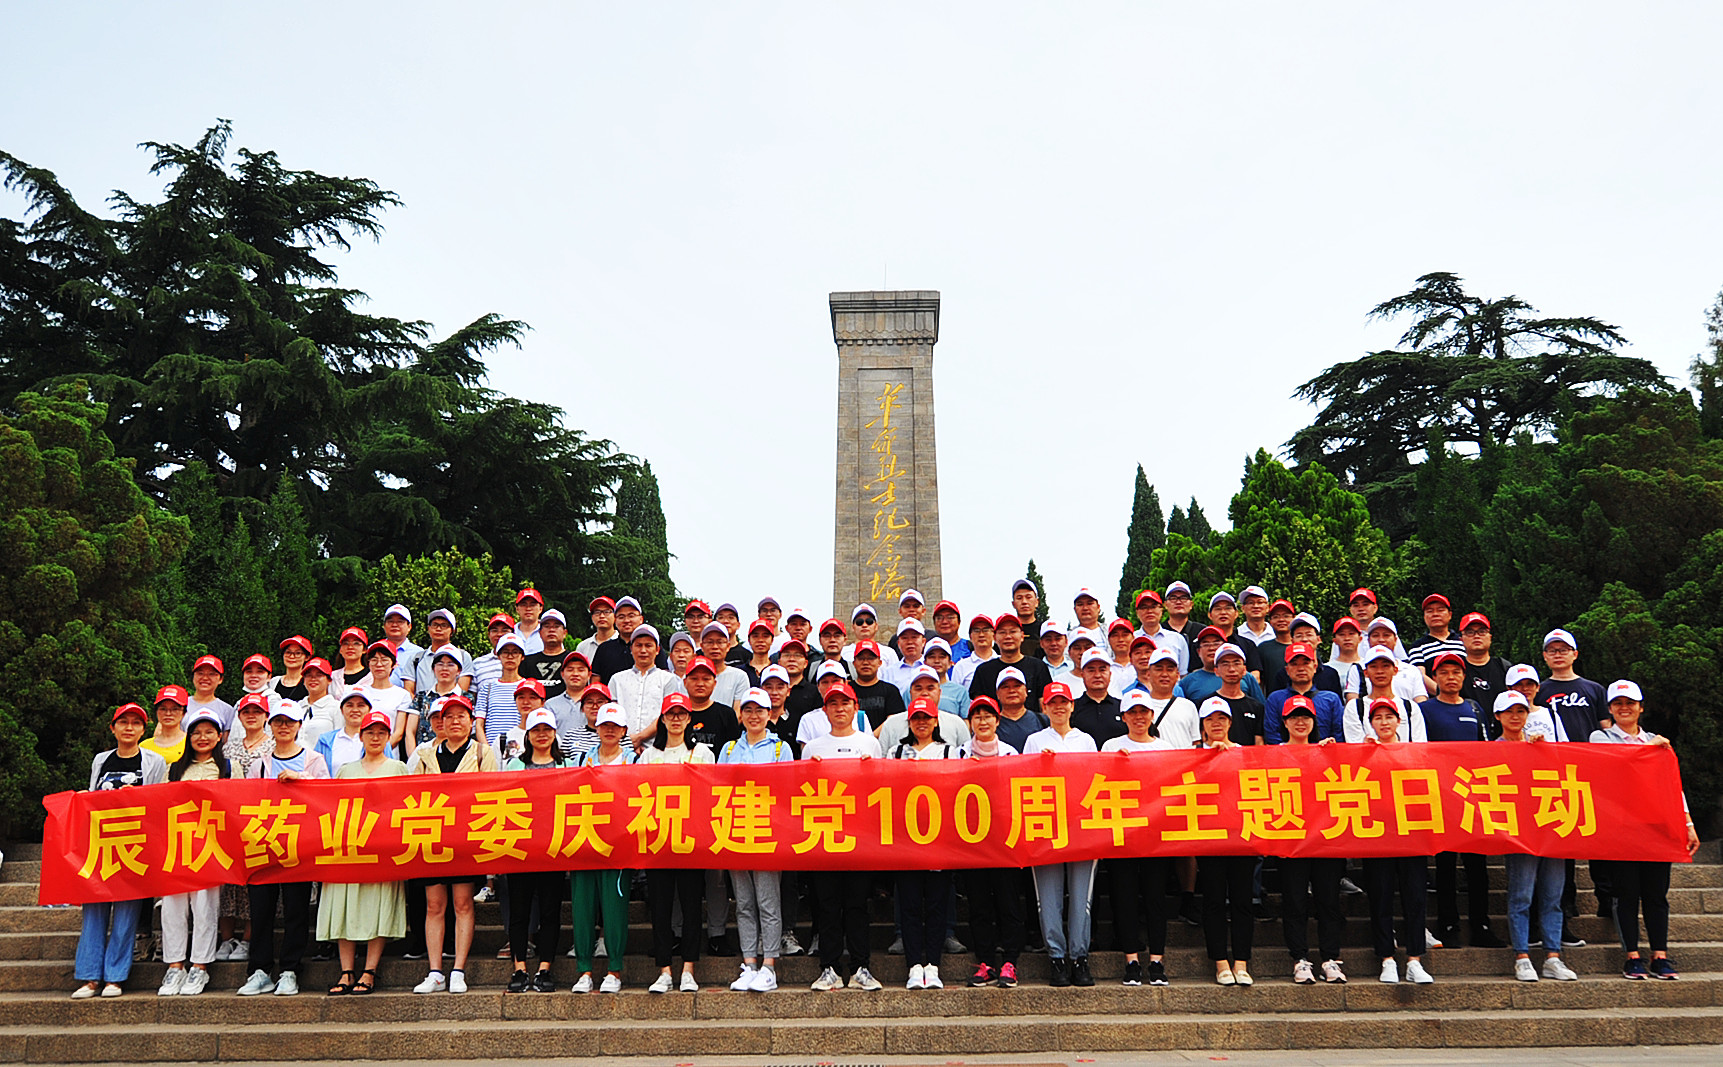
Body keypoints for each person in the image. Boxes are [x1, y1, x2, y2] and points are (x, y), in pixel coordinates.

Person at [1590, 679, 1700, 979]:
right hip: (1621, 828)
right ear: (1610, 709)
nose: (1624, 708)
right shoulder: (1600, 737)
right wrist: (1649, 750)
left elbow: (1672, 786)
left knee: (1656, 894)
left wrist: (1688, 824)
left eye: (1630, 703)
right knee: (1626, 893)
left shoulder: (1656, 741)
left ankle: (1660, 955)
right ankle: (1632, 956)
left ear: (1641, 708)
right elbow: (1613, 766)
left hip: (1656, 828)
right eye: (1618, 704)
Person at [71, 703, 167, 999]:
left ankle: (115, 977)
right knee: (94, 909)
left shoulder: (154, 761)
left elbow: (157, 800)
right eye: (123, 722)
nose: (129, 728)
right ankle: (89, 977)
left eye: (135, 723)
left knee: (127, 912)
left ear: (143, 730)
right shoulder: (101, 759)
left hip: (133, 845)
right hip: (100, 844)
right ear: (112, 728)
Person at [405, 694, 497, 995]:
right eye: (449, 716)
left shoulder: (482, 753)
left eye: (461, 716)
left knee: (463, 903)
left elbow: (492, 793)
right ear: (439, 723)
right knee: (434, 905)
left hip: (466, 839)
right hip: (432, 837)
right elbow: (412, 795)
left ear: (471, 722)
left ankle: (458, 969)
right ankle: (435, 971)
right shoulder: (424, 754)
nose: (455, 721)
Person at [237, 704, 331, 997]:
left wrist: (301, 780)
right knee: (261, 911)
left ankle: (290, 970)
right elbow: (246, 801)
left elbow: (327, 795)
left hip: (298, 846)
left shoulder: (313, 759)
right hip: (264, 846)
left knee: (296, 910)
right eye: (278, 721)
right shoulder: (259, 764)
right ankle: (259, 970)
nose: (284, 727)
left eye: (290, 722)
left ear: (299, 725)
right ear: (270, 725)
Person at [319, 705, 408, 996]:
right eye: (370, 732)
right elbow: (330, 807)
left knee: (377, 906)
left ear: (388, 737)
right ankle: (346, 971)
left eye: (382, 732)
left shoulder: (398, 768)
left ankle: (370, 970)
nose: (376, 737)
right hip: (349, 850)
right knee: (344, 905)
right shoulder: (346, 770)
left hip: (382, 851)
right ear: (361, 736)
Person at [1489, 692, 1576, 983]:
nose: (1515, 716)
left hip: (1550, 826)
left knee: (1553, 896)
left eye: (1521, 711)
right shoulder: (1490, 750)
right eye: (1509, 711)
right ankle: (1522, 957)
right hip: (1519, 833)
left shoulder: (1540, 745)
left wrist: (1544, 751)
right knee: (1522, 895)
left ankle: (1553, 956)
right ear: (1498, 716)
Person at [803, 682, 884, 992]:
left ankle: (861, 966)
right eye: (833, 704)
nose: (839, 709)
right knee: (827, 905)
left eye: (845, 703)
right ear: (825, 710)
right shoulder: (813, 748)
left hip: (859, 837)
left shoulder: (869, 744)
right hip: (823, 836)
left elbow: (880, 787)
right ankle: (829, 968)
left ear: (855, 708)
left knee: (856, 904)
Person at [1419, 651, 1502, 949]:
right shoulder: (1424, 710)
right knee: (1445, 865)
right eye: (1444, 672)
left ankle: (1481, 925)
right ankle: (1448, 924)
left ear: (1464, 677)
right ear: (1434, 678)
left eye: (1456, 672)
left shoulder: (1474, 708)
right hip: (1440, 795)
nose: (1450, 677)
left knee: (1477, 865)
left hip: (1472, 795)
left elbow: (1486, 749)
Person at [1537, 627, 1611, 942]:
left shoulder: (1594, 689)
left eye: (1563, 649)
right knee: (1563, 839)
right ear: (1545, 656)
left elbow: (1607, 728)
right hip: (1554, 775)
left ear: (1575, 654)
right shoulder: (1539, 690)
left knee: (1598, 837)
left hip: (1591, 771)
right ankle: (1566, 903)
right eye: (1552, 650)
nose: (1558, 654)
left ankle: (1606, 896)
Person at [720, 689, 796, 992]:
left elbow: (788, 789)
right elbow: (717, 789)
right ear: (741, 715)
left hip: (767, 833)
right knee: (743, 903)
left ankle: (769, 965)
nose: (754, 716)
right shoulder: (728, 749)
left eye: (760, 710)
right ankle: (749, 963)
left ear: (769, 714)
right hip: (736, 831)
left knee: (767, 901)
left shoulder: (781, 748)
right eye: (748, 710)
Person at [1023, 683, 1098, 987]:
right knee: (1049, 897)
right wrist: (1040, 765)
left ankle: (1079, 956)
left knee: (1081, 897)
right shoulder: (1034, 740)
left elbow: (1095, 780)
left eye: (1063, 701)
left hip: (1080, 827)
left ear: (1072, 705)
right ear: (1044, 707)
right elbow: (1022, 781)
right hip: (1046, 827)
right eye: (1052, 702)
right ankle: (1056, 956)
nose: (1058, 707)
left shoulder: (1086, 740)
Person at [640, 693, 713, 994]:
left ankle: (689, 969)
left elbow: (710, 792)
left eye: (681, 714)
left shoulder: (703, 752)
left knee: (692, 906)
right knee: (660, 908)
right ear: (662, 718)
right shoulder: (649, 755)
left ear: (689, 718)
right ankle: (664, 970)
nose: (676, 719)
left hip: (691, 840)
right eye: (671, 714)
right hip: (658, 842)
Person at [1359, 698, 1434, 984]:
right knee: (1380, 897)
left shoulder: (1414, 752)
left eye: (1388, 716)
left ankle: (1415, 959)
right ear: (1371, 723)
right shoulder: (1364, 752)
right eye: (1377, 717)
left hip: (1412, 834)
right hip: (1377, 836)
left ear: (1398, 721)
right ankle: (1386, 958)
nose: (1384, 722)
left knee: (1415, 898)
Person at [154, 710, 228, 997]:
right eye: (196, 732)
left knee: (205, 907)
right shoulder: (173, 768)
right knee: (172, 909)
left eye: (209, 732)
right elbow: (159, 804)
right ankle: (175, 966)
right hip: (176, 846)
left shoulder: (228, 767)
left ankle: (199, 966)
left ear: (219, 736)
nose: (202, 737)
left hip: (210, 847)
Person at [1103, 691, 1175, 987]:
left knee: (1156, 898)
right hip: (1122, 834)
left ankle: (1157, 960)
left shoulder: (1165, 747)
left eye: (1143, 711)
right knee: (1125, 898)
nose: (1139, 717)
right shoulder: (1111, 746)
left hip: (1156, 834)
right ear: (1123, 717)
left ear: (1151, 715)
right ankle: (1131, 960)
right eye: (1132, 712)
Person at [1275, 696, 1347, 985]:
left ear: (1314, 722)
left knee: (1328, 900)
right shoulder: (1273, 754)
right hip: (1290, 838)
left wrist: (1334, 754)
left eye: (1305, 717)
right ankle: (1300, 959)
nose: (1300, 722)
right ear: (1284, 722)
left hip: (1325, 838)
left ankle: (1330, 958)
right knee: (1294, 901)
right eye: (1294, 717)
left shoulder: (1326, 752)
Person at [957, 697, 1024, 988]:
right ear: (970, 722)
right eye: (977, 717)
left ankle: (1010, 961)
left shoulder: (1011, 753)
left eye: (988, 716)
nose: (983, 721)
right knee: (979, 905)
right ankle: (984, 962)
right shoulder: (958, 754)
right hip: (971, 841)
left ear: (998, 721)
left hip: (1004, 839)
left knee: (1008, 903)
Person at [500, 706, 567, 993]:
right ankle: (519, 968)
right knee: (519, 911)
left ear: (554, 734)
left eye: (547, 730)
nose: (542, 735)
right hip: (521, 848)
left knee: (551, 911)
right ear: (527, 735)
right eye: (536, 730)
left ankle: (545, 968)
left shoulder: (567, 766)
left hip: (554, 849)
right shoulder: (514, 765)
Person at [569, 702, 635, 993]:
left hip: (618, 845)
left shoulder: (633, 761)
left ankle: (614, 970)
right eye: (604, 725)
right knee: (582, 909)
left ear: (623, 730)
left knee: (614, 909)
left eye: (615, 726)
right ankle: (584, 970)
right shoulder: (581, 758)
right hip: (584, 841)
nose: (609, 730)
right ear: (596, 728)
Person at [891, 698, 957, 989]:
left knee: (937, 904)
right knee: (909, 904)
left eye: (926, 718)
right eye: (916, 718)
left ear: (936, 721)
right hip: (905, 839)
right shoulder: (895, 753)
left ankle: (933, 963)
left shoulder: (949, 752)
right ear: (909, 722)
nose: (921, 723)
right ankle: (913, 965)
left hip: (939, 839)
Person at [1192, 697, 1255, 986]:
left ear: (1230, 723)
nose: (1216, 724)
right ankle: (1220, 962)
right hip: (1209, 838)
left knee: (1242, 900)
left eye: (1221, 718)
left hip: (1242, 835)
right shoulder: (1193, 755)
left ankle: (1241, 961)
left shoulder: (1244, 753)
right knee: (1214, 900)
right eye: (1210, 719)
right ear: (1203, 726)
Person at [214, 692, 271, 962]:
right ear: (239, 716)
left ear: (266, 716)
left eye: (257, 712)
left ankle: (247, 939)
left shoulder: (273, 744)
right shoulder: (228, 748)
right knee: (228, 882)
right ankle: (227, 939)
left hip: (262, 820)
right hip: (230, 821)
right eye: (246, 712)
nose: (251, 716)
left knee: (254, 883)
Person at [968, 613, 1054, 711]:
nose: (1008, 636)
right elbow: (980, 708)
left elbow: (1045, 705)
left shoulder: (1037, 666)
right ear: (995, 638)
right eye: (1002, 632)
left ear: (1022, 636)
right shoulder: (983, 671)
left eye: (1013, 632)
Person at [1343, 648, 1429, 743]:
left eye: (1385, 666)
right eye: (1374, 667)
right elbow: (1354, 745)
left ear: (1395, 670)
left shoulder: (1411, 707)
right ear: (1365, 673)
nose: (1380, 671)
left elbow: (1419, 744)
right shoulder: (1354, 707)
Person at [1265, 643, 1345, 744]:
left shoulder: (1331, 699)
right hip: (1285, 753)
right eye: (1294, 664)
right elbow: (1272, 736)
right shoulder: (1275, 699)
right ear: (1287, 670)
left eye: (1306, 663)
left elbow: (1338, 735)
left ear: (1315, 667)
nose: (1301, 669)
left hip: (1324, 752)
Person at [353, 640, 413, 755]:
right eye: (374, 660)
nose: (379, 664)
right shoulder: (360, 692)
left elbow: (398, 733)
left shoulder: (402, 695)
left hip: (388, 755)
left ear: (394, 664)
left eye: (384, 660)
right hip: (358, 753)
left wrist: (379, 752)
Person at [1457, 612, 1510, 731]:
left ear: (1490, 637)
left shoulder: (1504, 667)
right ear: (1461, 639)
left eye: (1482, 631)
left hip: (1503, 735)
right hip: (1468, 733)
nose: (1476, 636)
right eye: (1470, 632)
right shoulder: (1456, 670)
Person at [474, 632, 527, 748]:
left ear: (522, 657)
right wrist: (487, 750)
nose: (510, 656)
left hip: (521, 749)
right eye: (505, 652)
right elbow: (479, 724)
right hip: (492, 750)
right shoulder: (487, 688)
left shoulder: (528, 687)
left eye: (515, 652)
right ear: (498, 656)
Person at [313, 690, 376, 776]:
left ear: (369, 710)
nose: (355, 710)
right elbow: (315, 773)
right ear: (341, 710)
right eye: (350, 705)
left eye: (361, 705)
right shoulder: (325, 740)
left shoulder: (379, 740)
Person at [413, 608, 474, 697]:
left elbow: (461, 692)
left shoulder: (463, 656)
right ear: (428, 628)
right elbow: (409, 690)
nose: (438, 629)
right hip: (423, 704)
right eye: (435, 625)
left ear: (452, 630)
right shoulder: (417, 657)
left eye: (444, 625)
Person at [848, 640, 907, 730]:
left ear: (880, 662)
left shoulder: (890, 691)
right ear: (854, 663)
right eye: (861, 658)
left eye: (871, 658)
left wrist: (872, 736)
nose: (865, 662)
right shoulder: (847, 690)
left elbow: (893, 720)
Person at [1071, 649, 1125, 744]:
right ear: (1082, 675)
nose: (1097, 675)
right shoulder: (1072, 709)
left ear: (1110, 674)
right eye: (1091, 670)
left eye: (1102, 670)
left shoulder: (1123, 707)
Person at [990, 668, 1047, 754]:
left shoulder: (1043, 721)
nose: (1012, 691)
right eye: (1005, 687)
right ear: (997, 694)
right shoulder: (992, 725)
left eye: (1017, 686)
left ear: (1026, 691)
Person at [1132, 589, 1189, 674]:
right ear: (1137, 612)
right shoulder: (1131, 639)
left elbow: (1182, 673)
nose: (1149, 611)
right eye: (1144, 607)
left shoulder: (1177, 639)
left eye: (1153, 606)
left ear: (1161, 609)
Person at [186, 654, 236, 730]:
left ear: (220, 679)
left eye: (211, 674)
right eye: (200, 673)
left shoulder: (227, 710)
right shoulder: (181, 705)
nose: (205, 678)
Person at [142, 684, 189, 763]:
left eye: (175, 709)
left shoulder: (191, 743)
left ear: (184, 713)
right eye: (163, 709)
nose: (168, 713)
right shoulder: (144, 747)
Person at [951, 614, 996, 689]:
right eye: (976, 631)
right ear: (970, 636)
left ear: (994, 635)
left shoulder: (1002, 662)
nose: (981, 635)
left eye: (985, 630)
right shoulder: (961, 666)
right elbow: (956, 693)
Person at [271, 635, 314, 702]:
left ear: (307, 657)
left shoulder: (310, 683)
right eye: (288, 652)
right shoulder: (274, 682)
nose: (291, 656)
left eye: (298, 653)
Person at [575, 596, 617, 662]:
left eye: (607, 612)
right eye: (597, 612)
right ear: (592, 617)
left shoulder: (624, 643)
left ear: (615, 616)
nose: (602, 616)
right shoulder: (583, 647)